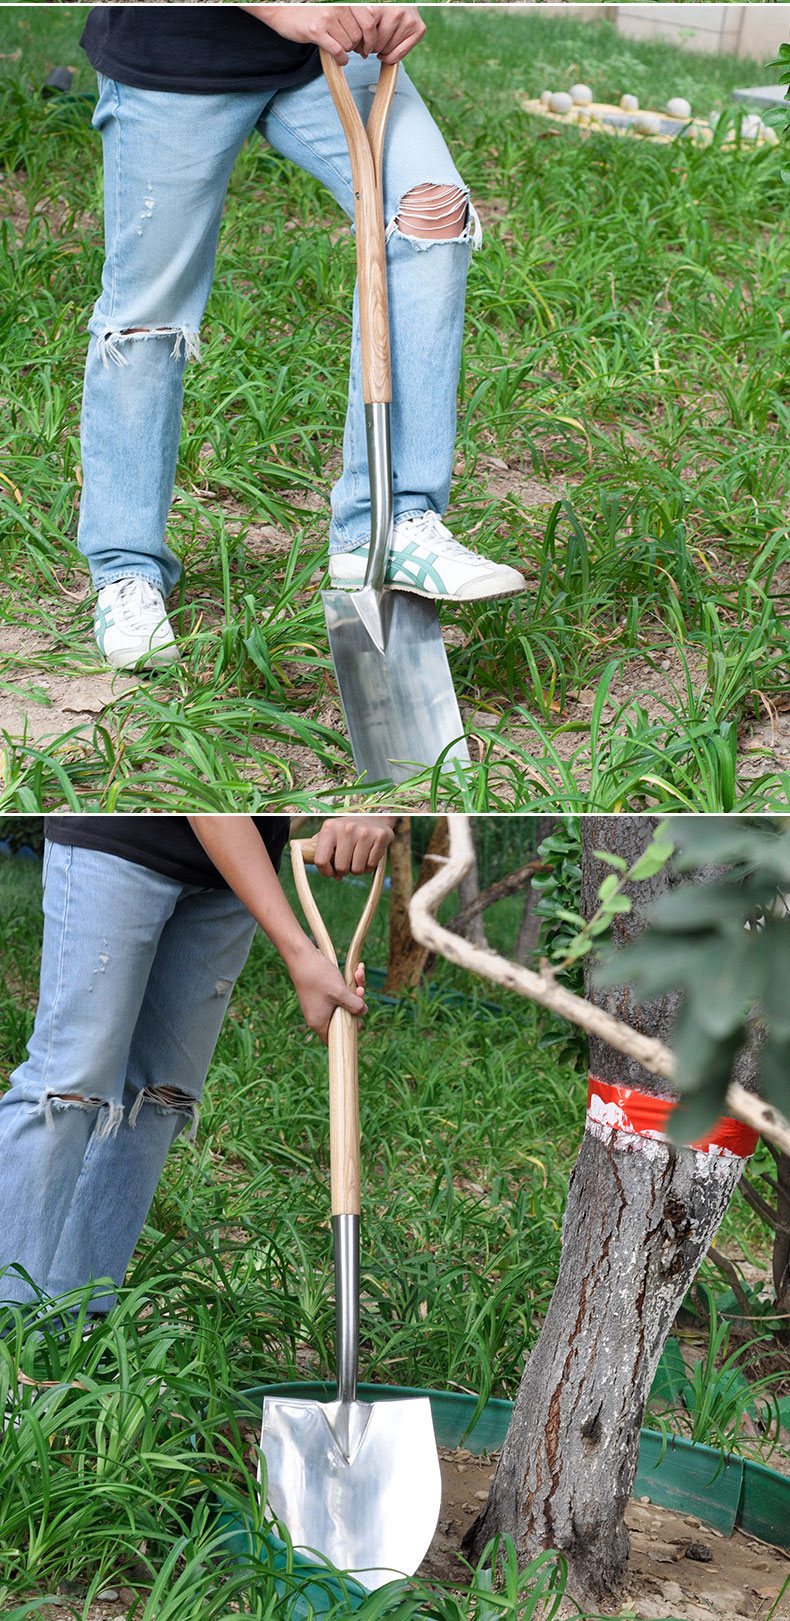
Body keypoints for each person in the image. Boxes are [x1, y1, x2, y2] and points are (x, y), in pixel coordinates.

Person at [77, 3, 525, 670]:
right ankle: (125, 568)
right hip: (178, 52)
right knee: (151, 311)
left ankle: (391, 521)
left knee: (432, 209)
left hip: (331, 52)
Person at [0, 813, 394, 1316]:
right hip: (123, 843)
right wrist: (301, 955)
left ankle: (76, 1325)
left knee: (162, 1098)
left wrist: (372, 811)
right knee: (68, 1089)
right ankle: (8, 1339)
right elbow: (212, 797)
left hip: (232, 879)